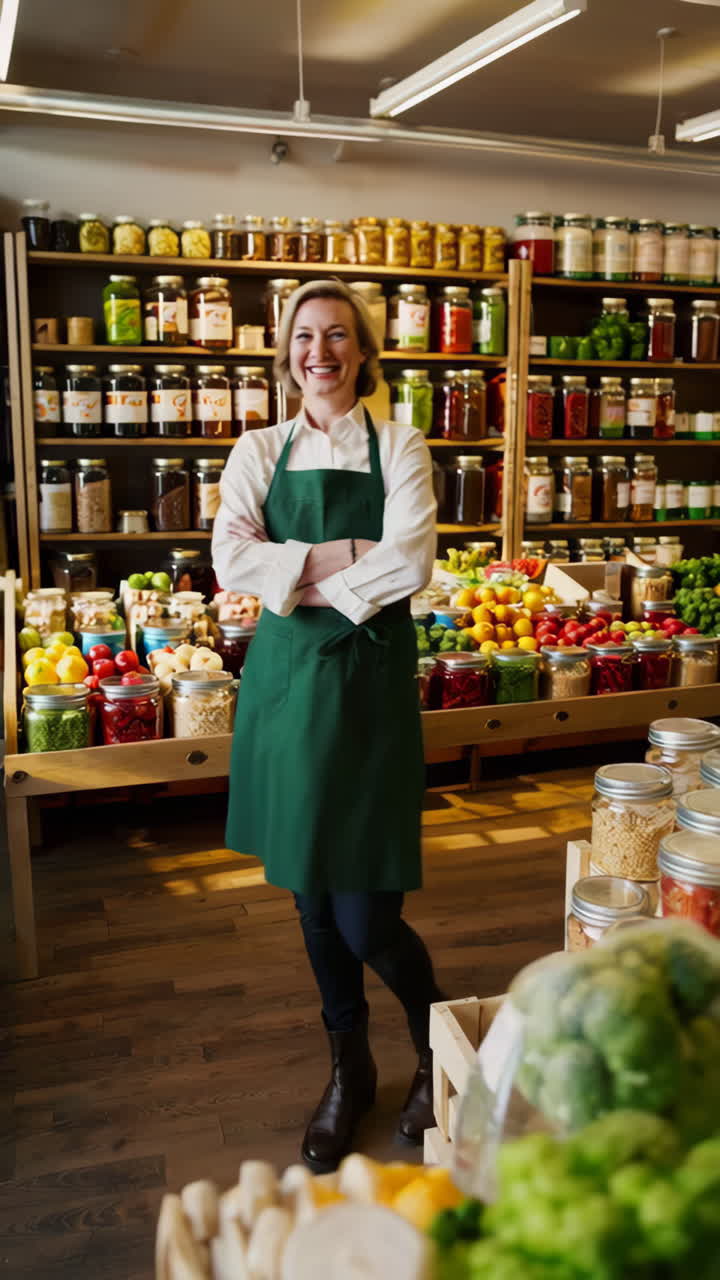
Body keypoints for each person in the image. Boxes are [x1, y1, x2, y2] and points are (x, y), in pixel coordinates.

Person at [212, 279, 445, 1173]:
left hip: (368, 695)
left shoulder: (401, 443)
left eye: (339, 335)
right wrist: (341, 557)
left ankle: (439, 1047)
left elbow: (411, 558)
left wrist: (303, 583)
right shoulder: (257, 448)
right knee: (311, 899)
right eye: (306, 336)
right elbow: (229, 554)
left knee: (368, 915)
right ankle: (349, 1065)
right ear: (287, 351)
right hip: (286, 697)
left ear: (363, 351)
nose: (322, 351)